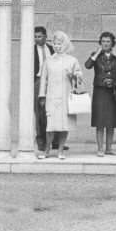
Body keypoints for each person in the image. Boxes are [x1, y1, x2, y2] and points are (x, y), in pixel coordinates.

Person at [84, 31, 116, 157]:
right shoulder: (96, 55)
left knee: (111, 121)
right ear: (100, 42)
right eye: (103, 41)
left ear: (112, 43)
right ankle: (100, 148)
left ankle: (109, 148)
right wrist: (97, 53)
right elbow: (87, 65)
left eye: (108, 41)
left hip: (113, 91)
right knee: (100, 120)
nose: (106, 44)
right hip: (100, 91)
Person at [38, 30, 83, 160]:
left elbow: (79, 78)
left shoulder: (72, 60)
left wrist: (74, 75)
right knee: (50, 125)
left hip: (66, 96)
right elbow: (43, 80)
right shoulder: (48, 61)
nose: (57, 46)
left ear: (65, 45)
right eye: (55, 44)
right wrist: (42, 95)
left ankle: (61, 150)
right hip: (52, 96)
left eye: (60, 44)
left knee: (64, 125)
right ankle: (46, 150)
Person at [33, 25, 55, 153]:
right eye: (35, 37)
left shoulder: (52, 49)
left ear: (46, 37)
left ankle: (55, 141)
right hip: (38, 81)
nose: (37, 39)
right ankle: (41, 141)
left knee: (54, 111)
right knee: (39, 112)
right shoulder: (31, 50)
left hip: (52, 82)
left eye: (39, 36)